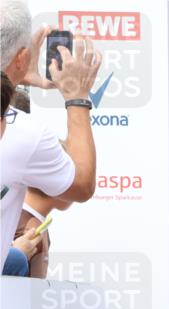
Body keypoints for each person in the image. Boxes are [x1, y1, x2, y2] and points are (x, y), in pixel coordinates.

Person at [1, 1, 101, 267]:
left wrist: (15, 75)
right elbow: (81, 185)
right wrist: (77, 97)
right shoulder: (23, 134)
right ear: (22, 58)